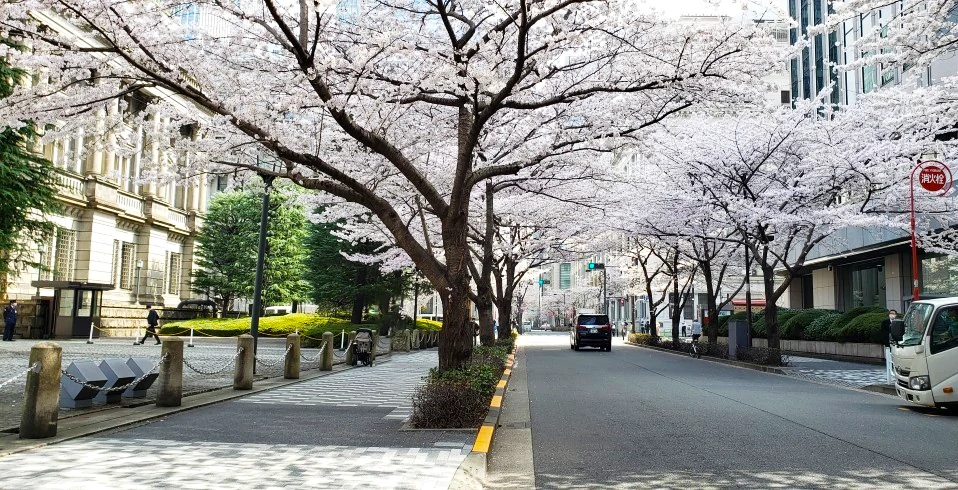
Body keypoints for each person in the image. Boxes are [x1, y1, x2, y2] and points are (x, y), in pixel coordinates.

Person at [881, 309, 898, 385]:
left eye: (893, 313)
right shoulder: (885, 323)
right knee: (889, 356)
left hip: (896, 342)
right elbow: (883, 333)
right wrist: (886, 343)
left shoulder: (898, 323)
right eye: (891, 313)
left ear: (896, 315)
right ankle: (890, 370)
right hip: (889, 342)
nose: (892, 315)